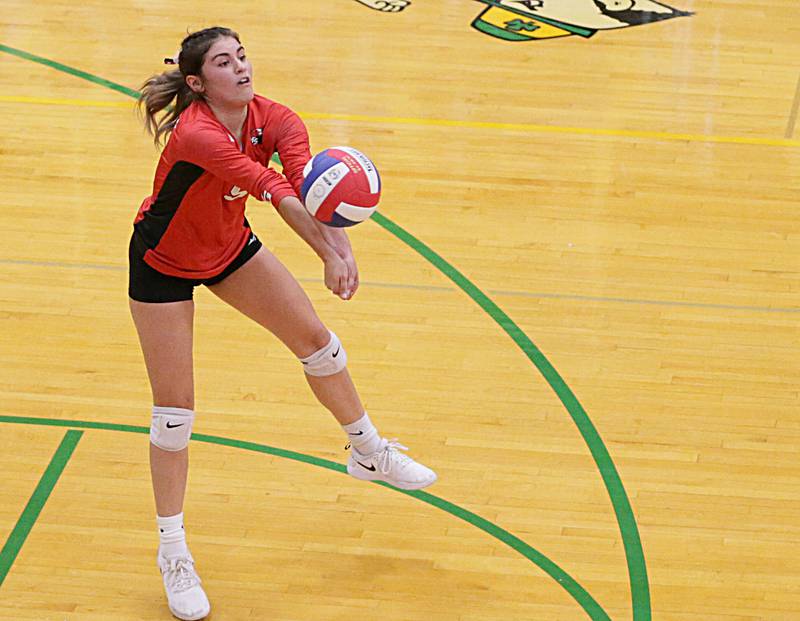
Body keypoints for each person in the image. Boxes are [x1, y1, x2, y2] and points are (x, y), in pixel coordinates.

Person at [130, 26, 437, 621]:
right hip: (162, 261)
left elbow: (306, 185)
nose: (242, 68)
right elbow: (268, 186)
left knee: (320, 346)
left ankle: (368, 451)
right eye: (224, 62)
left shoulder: (279, 119)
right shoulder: (198, 133)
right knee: (174, 414)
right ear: (197, 83)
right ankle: (173, 552)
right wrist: (327, 254)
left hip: (227, 248)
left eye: (242, 56)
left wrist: (342, 246)